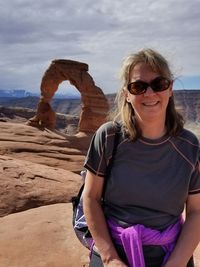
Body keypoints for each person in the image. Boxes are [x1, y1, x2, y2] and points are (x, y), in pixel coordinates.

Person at [82, 48, 200, 267]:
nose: (149, 93)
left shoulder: (190, 146)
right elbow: (90, 198)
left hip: (170, 254)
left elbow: (196, 211)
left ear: (170, 89)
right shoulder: (109, 137)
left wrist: (176, 263)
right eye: (138, 86)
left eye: (159, 84)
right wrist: (110, 259)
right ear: (127, 93)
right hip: (114, 251)